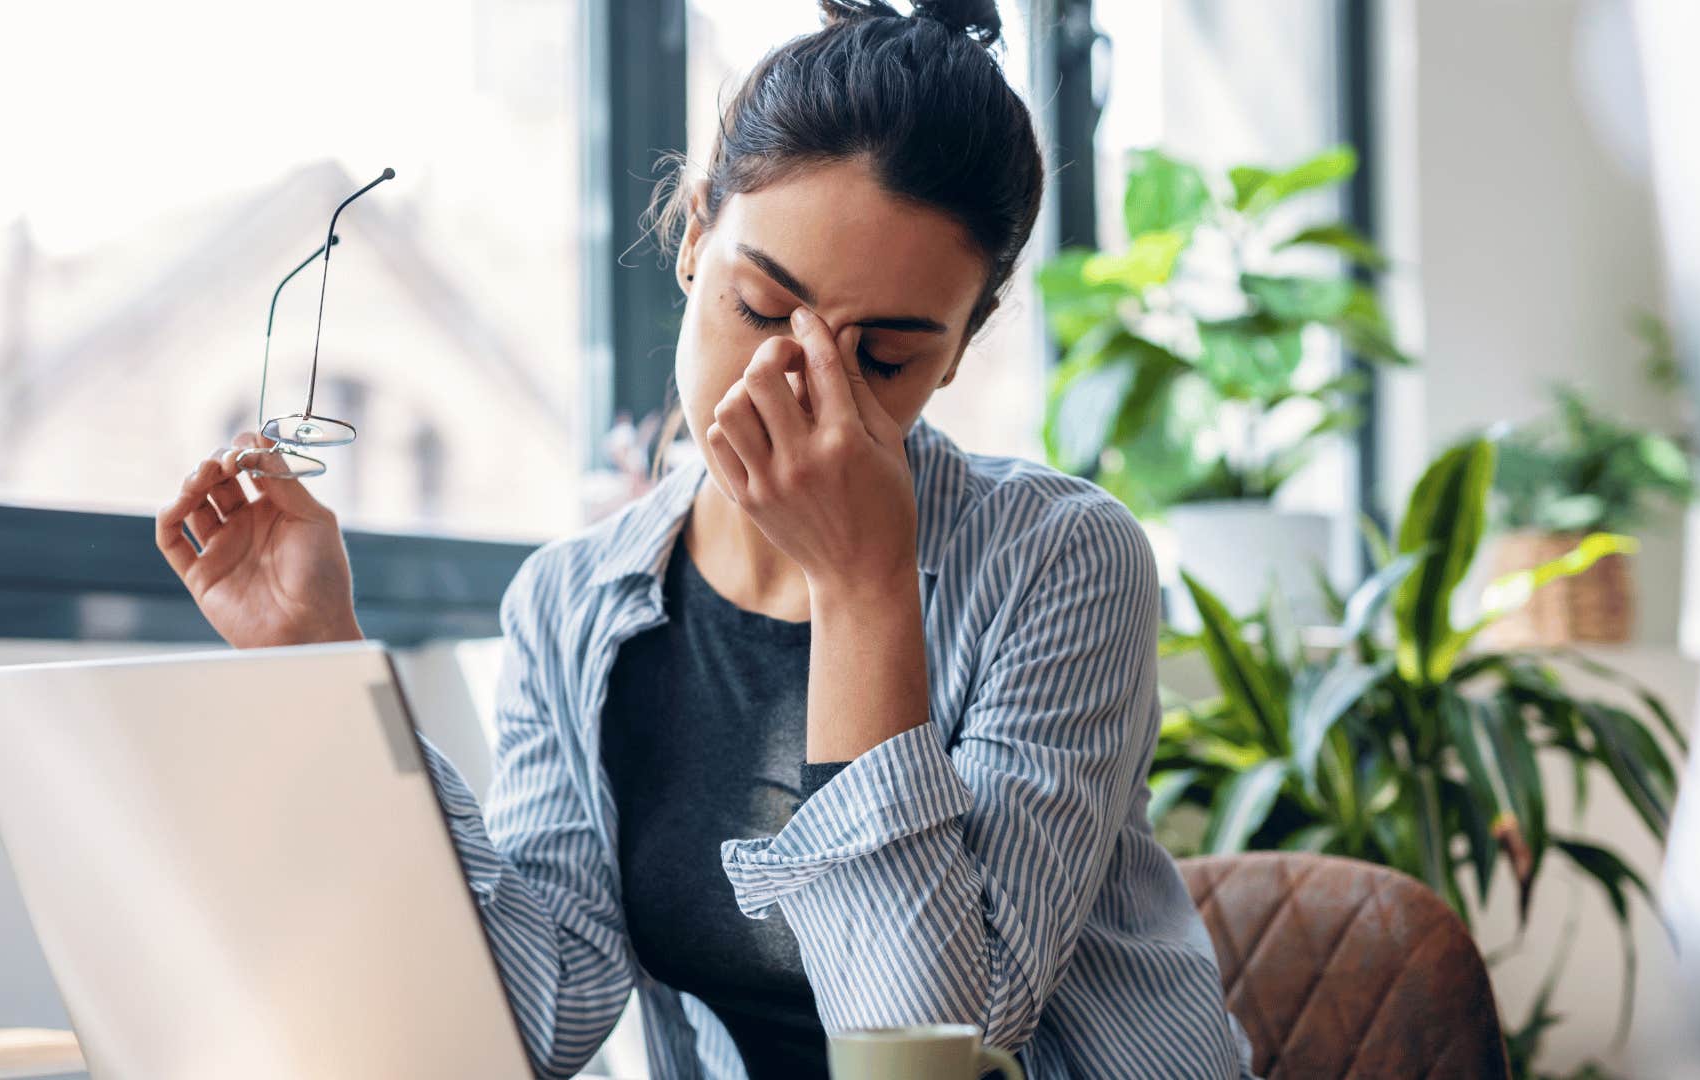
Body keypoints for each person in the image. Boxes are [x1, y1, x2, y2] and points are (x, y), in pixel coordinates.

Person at [156, 2, 1254, 1077]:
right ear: (693, 241)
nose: (797, 381)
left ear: (957, 353)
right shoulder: (571, 604)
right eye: (764, 312)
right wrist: (327, 660)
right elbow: (540, 1015)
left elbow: (934, 1043)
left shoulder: (1060, 562)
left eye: (882, 360)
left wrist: (863, 586)